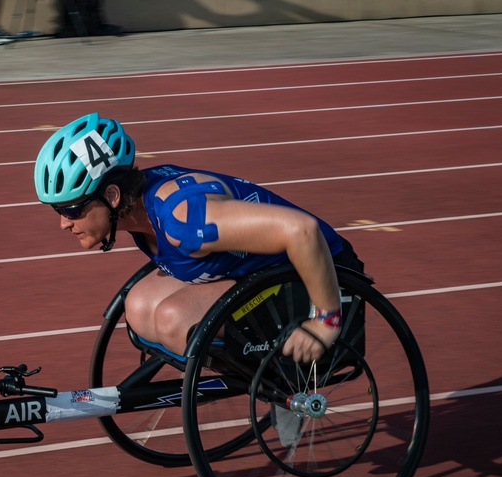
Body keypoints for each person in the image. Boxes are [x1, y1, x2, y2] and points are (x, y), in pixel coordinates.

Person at [33, 113, 364, 364]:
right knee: (139, 305)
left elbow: (302, 230)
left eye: (72, 210)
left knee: (173, 318)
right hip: (255, 270)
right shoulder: (140, 210)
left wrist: (325, 321)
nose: (64, 224)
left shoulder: (185, 220)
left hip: (321, 273)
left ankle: (283, 381)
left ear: (113, 195)